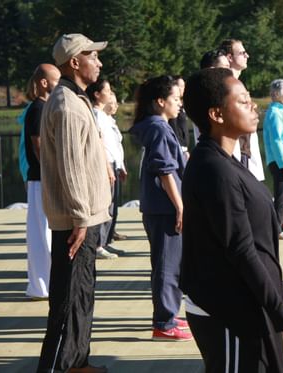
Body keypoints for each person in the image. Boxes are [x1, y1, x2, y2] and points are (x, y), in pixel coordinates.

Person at [181, 67, 283, 373]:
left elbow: (256, 245)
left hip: (249, 300)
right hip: (227, 309)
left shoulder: (228, 161)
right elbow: (241, 251)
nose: (253, 105)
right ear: (216, 114)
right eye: (243, 101)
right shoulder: (213, 170)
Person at [37, 33, 112, 373]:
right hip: (74, 222)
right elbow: (71, 167)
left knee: (81, 295)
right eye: (92, 55)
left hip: (84, 219)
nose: (98, 61)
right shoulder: (66, 104)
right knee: (67, 304)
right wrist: (81, 218)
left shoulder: (75, 99)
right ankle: (55, 367)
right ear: (74, 62)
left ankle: (77, 362)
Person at [129, 75, 193, 342]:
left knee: (169, 262)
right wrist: (180, 207)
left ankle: (168, 314)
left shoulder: (157, 125)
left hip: (158, 206)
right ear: (160, 102)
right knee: (168, 264)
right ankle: (164, 322)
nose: (180, 104)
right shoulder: (158, 128)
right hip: (165, 207)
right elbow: (165, 171)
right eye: (175, 99)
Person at [24, 63, 61, 300]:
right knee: (42, 233)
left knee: (44, 232)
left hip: (44, 179)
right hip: (41, 179)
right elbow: (38, 145)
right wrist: (51, 172)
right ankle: (41, 285)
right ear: (44, 83)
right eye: (57, 80)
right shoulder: (38, 108)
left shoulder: (44, 107)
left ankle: (44, 283)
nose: (60, 85)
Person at [86, 79, 125, 259]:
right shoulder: (94, 114)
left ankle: (105, 242)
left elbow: (113, 144)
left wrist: (120, 165)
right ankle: (98, 245)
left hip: (112, 164)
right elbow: (99, 143)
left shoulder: (105, 116)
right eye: (107, 90)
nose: (110, 94)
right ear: (97, 94)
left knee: (111, 207)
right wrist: (107, 167)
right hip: (104, 165)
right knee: (104, 207)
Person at [220, 39, 265, 181]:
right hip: (237, 153)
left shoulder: (239, 84)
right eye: (242, 53)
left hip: (246, 151)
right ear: (229, 57)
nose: (247, 56)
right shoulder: (226, 87)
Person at [263, 79, 283, 240]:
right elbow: (276, 141)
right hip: (279, 161)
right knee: (282, 197)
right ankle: (275, 229)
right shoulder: (274, 113)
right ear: (275, 93)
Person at [103, 92, 128, 243]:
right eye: (112, 102)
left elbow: (116, 146)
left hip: (115, 164)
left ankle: (110, 233)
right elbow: (105, 147)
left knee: (114, 204)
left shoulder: (111, 121)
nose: (116, 106)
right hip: (108, 165)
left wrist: (122, 166)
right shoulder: (100, 119)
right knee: (108, 204)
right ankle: (103, 240)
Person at [168, 76, 190, 160]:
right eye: (180, 85)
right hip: (179, 148)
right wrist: (182, 149)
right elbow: (174, 128)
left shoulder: (182, 105)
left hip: (184, 148)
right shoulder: (173, 109)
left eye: (183, 85)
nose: (182, 88)